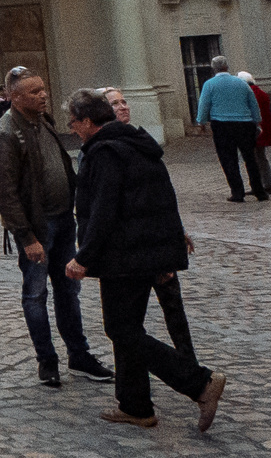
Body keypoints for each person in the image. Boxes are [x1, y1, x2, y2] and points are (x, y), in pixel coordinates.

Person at [62, 90, 228, 432]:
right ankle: (135, 404)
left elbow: (104, 211)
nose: (72, 128)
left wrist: (84, 257)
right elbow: (161, 196)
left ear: (89, 122)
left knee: (120, 329)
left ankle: (198, 382)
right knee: (128, 329)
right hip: (140, 251)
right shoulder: (135, 143)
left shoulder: (106, 152)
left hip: (125, 255)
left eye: (74, 122)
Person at [0, 68, 112, 388]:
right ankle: (47, 360)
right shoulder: (5, 133)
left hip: (62, 220)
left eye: (42, 89)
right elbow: (6, 193)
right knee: (35, 294)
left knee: (68, 291)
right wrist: (26, 237)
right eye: (33, 92)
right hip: (38, 229)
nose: (43, 95)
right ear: (14, 97)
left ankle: (79, 355)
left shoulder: (44, 122)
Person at [100, 88, 195, 358]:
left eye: (123, 102)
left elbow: (160, 194)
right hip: (131, 249)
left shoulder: (142, 140)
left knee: (173, 308)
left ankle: (190, 367)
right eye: (114, 104)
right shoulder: (102, 149)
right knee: (127, 323)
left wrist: (178, 232)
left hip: (156, 240)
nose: (123, 107)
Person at [194, 56, 266, 201]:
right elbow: (252, 103)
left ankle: (237, 192)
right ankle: (259, 191)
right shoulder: (241, 83)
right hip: (245, 124)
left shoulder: (210, 84)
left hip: (222, 125)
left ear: (213, 68)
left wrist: (201, 121)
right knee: (250, 158)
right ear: (227, 66)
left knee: (228, 159)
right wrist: (257, 121)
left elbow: (204, 104)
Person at [236, 71, 271, 197]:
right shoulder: (261, 93)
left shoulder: (249, 94)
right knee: (260, 157)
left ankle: (261, 185)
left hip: (254, 130)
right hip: (263, 129)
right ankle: (266, 184)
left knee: (255, 159)